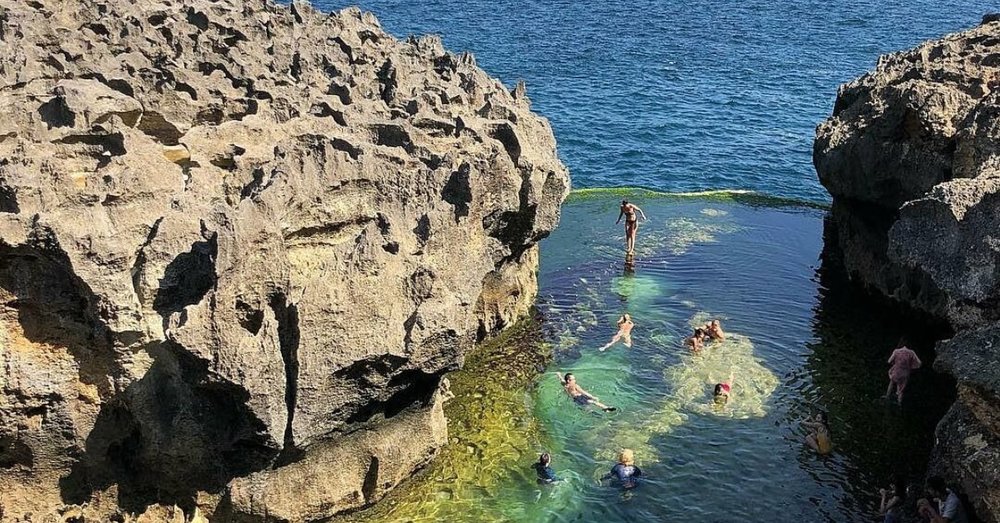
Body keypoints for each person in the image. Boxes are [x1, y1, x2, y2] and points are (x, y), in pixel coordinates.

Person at [886, 338, 922, 405]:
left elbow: (889, 361)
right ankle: (899, 403)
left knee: (892, 382)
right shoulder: (912, 352)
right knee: (901, 390)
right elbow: (919, 363)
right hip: (906, 373)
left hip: (896, 371)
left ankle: (887, 397)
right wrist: (911, 366)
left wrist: (894, 363)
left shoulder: (896, 351)